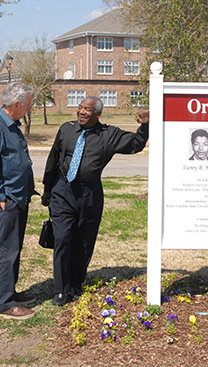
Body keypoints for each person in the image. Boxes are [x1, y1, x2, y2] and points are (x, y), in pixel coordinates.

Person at [41, 96, 149, 306]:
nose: (81, 112)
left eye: (87, 109)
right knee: (62, 238)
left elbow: (136, 143)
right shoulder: (66, 129)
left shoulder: (108, 135)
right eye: (80, 107)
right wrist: (47, 189)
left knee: (83, 242)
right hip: (63, 191)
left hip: (90, 195)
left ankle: (75, 284)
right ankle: (61, 290)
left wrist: (145, 126)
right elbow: (53, 158)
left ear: (98, 114)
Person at [0, 82, 38, 319]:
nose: (30, 108)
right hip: (9, 199)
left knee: (15, 247)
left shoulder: (13, 124)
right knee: (7, 250)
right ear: (16, 104)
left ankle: (10, 291)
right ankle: (4, 303)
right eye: (28, 104)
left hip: (19, 197)